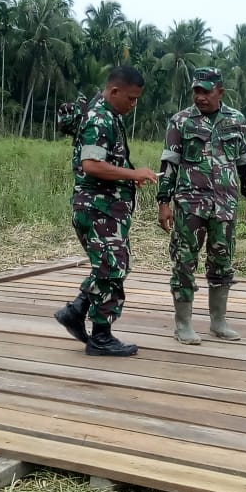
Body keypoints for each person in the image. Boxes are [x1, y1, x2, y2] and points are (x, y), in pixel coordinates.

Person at [54, 65, 157, 356]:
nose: (134, 105)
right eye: (132, 98)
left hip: (104, 209)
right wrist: (133, 174)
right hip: (99, 209)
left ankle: (76, 311)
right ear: (114, 91)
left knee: (110, 267)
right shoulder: (100, 120)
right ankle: (101, 337)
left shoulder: (107, 115)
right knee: (113, 268)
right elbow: (92, 165)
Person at [156, 66, 246, 345]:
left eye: (206, 91)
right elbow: (169, 165)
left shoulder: (236, 121)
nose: (200, 97)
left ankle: (218, 322)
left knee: (222, 262)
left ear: (220, 92)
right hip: (190, 205)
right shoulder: (181, 121)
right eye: (196, 91)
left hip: (224, 207)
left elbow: (245, 163)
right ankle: (183, 324)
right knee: (184, 262)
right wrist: (163, 203)